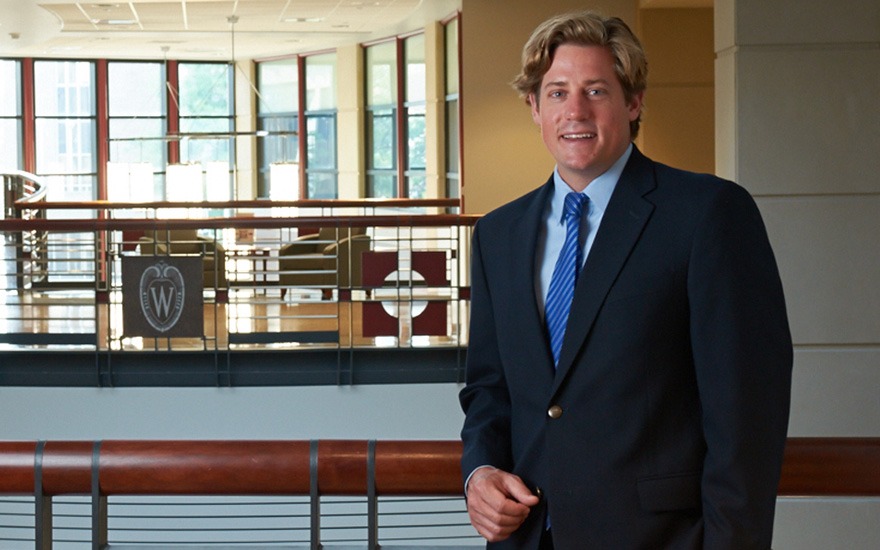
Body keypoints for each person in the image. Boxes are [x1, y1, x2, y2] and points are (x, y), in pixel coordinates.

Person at [459, 10, 792, 550]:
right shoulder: (498, 234)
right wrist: (479, 473)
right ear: (534, 108)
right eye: (557, 92)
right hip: (529, 537)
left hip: (661, 538)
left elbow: (746, 415)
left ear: (633, 102)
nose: (576, 111)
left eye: (596, 90)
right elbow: (489, 390)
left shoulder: (708, 214)